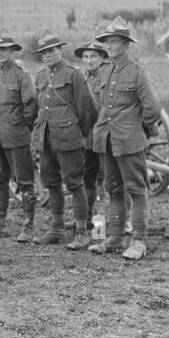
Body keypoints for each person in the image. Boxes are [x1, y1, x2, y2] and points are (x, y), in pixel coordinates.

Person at [88, 18, 162, 260]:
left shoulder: (137, 72)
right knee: (114, 188)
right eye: (107, 41)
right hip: (107, 140)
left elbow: (152, 108)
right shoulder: (104, 70)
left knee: (137, 190)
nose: (109, 45)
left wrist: (135, 127)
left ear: (126, 44)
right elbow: (101, 104)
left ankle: (138, 240)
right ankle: (114, 238)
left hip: (129, 141)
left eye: (115, 41)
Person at [30, 33, 98, 249]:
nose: (47, 55)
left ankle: (82, 232)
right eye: (43, 52)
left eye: (51, 51)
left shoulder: (73, 75)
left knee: (75, 183)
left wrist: (78, 133)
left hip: (69, 139)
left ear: (60, 51)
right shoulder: (40, 77)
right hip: (47, 140)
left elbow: (88, 109)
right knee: (51, 184)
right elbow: (37, 108)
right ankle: (57, 229)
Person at [0, 33, 39, 243]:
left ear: (12, 51)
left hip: (17, 137)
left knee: (25, 182)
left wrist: (22, 126)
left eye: (4, 50)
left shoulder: (21, 75)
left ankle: (28, 226)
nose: (0, 54)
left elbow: (31, 104)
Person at [74, 38, 110, 234]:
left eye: (93, 56)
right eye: (86, 57)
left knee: (106, 182)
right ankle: (88, 219)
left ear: (102, 57)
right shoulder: (81, 78)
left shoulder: (109, 77)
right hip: (88, 139)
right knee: (88, 179)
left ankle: (100, 229)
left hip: (106, 138)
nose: (89, 60)